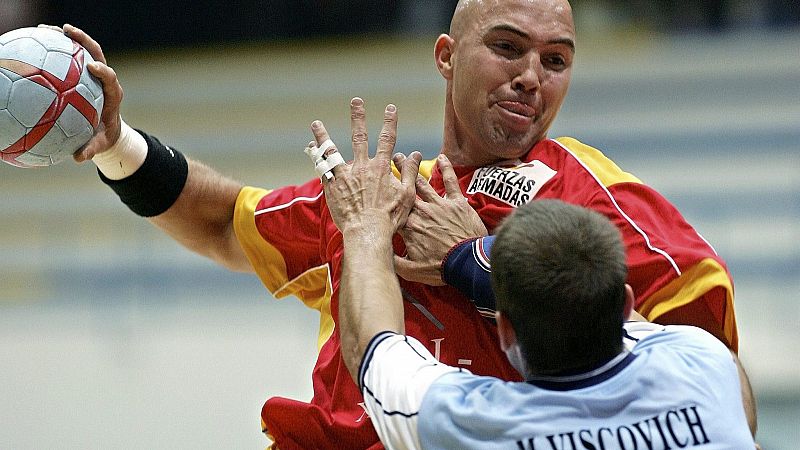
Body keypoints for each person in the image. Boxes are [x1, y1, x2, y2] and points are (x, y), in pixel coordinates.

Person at [55, 0, 738, 447]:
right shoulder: (371, 202)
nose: (533, 76)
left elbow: (714, 395)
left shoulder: (598, 200)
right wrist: (115, 145)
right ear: (445, 56)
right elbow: (223, 224)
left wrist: (485, 263)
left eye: (555, 61)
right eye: (507, 48)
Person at [313, 111, 755, 448]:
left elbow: (368, 346)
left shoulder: (477, 424)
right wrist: (472, 257)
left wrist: (364, 223)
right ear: (623, 303)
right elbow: (735, 396)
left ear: (505, 329)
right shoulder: (703, 367)